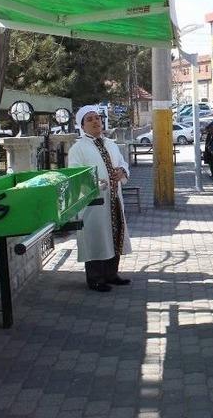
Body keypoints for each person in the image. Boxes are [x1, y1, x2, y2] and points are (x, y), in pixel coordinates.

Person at [68, 106, 132, 292]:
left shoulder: (111, 144)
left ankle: (111, 274)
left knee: (114, 235)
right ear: (82, 125)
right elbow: (75, 175)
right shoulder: (77, 149)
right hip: (94, 203)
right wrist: (96, 182)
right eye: (90, 119)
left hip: (114, 200)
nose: (96, 121)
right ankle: (95, 279)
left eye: (97, 118)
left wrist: (122, 172)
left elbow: (122, 163)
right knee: (95, 237)